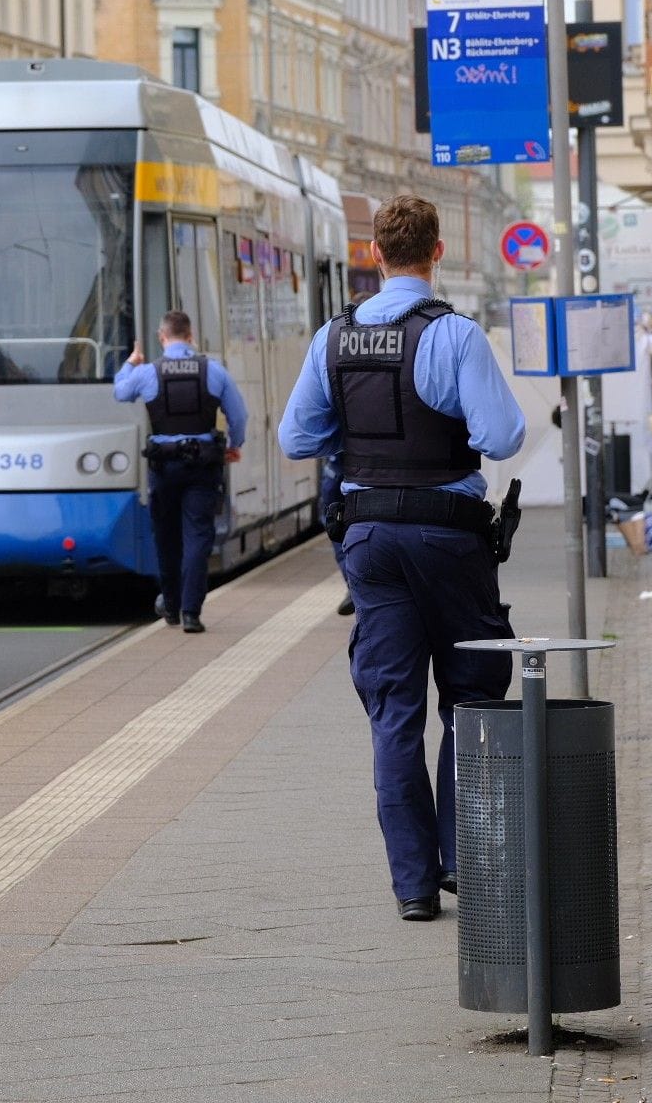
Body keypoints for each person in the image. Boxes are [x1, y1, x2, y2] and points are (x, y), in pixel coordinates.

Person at [278, 195, 525, 923]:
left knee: (393, 712)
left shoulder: (335, 337)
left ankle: (413, 887)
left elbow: (297, 439)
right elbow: (503, 436)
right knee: (474, 700)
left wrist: (355, 448)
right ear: (437, 251)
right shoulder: (454, 335)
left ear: (375, 256)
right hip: (450, 537)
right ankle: (470, 866)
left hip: (370, 543)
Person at [113, 310, 248, 634]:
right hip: (203, 465)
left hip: (164, 466)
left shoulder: (148, 372)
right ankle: (191, 612)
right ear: (190, 336)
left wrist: (131, 362)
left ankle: (170, 607)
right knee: (199, 536)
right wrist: (233, 444)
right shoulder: (213, 370)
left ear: (162, 338)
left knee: (167, 537)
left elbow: (119, 392)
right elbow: (239, 415)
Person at [321, 291, 383, 619]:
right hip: (393, 475)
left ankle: (352, 579)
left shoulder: (331, 345)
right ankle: (356, 582)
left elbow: (297, 438)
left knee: (334, 519)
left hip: (341, 466)